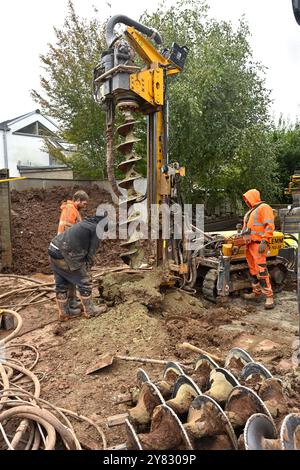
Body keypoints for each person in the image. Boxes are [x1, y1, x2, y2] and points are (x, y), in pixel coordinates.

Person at [48, 215, 108, 321]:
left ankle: (65, 311)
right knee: (85, 281)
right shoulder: (96, 229)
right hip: (65, 253)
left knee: (63, 282)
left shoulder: (86, 224)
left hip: (53, 248)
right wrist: (87, 267)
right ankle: (90, 311)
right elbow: (91, 252)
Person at [242, 189, 275, 310]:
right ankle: (256, 292)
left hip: (258, 245)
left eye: (247, 198)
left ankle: (269, 297)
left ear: (253, 197)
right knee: (253, 271)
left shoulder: (264, 207)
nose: (246, 201)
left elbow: (270, 226)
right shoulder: (250, 211)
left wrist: (265, 241)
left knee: (261, 270)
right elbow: (248, 229)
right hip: (249, 245)